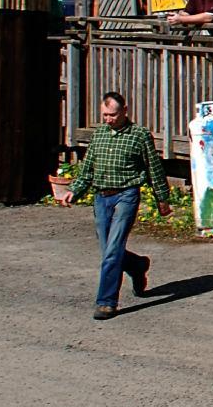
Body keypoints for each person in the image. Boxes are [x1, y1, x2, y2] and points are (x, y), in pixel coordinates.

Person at [60, 92, 172, 320]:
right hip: (102, 197)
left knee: (112, 250)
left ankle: (106, 302)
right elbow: (87, 169)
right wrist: (74, 190)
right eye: (105, 115)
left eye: (113, 114)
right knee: (108, 251)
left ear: (125, 111)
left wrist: (162, 198)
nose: (108, 119)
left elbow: (154, 169)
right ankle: (138, 265)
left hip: (126, 196)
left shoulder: (139, 135)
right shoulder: (99, 135)